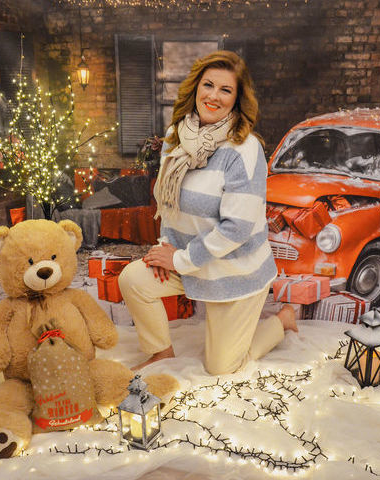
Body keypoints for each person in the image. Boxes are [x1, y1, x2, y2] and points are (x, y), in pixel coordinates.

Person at [118, 50, 297, 375]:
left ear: (237, 100)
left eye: (225, 90)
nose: (214, 96)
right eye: (208, 85)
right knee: (133, 279)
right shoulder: (176, 137)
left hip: (233, 270)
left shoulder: (243, 150)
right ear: (196, 88)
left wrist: (180, 259)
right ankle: (160, 352)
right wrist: (166, 248)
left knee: (222, 369)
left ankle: (281, 322)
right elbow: (169, 203)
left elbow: (237, 228)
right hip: (188, 261)